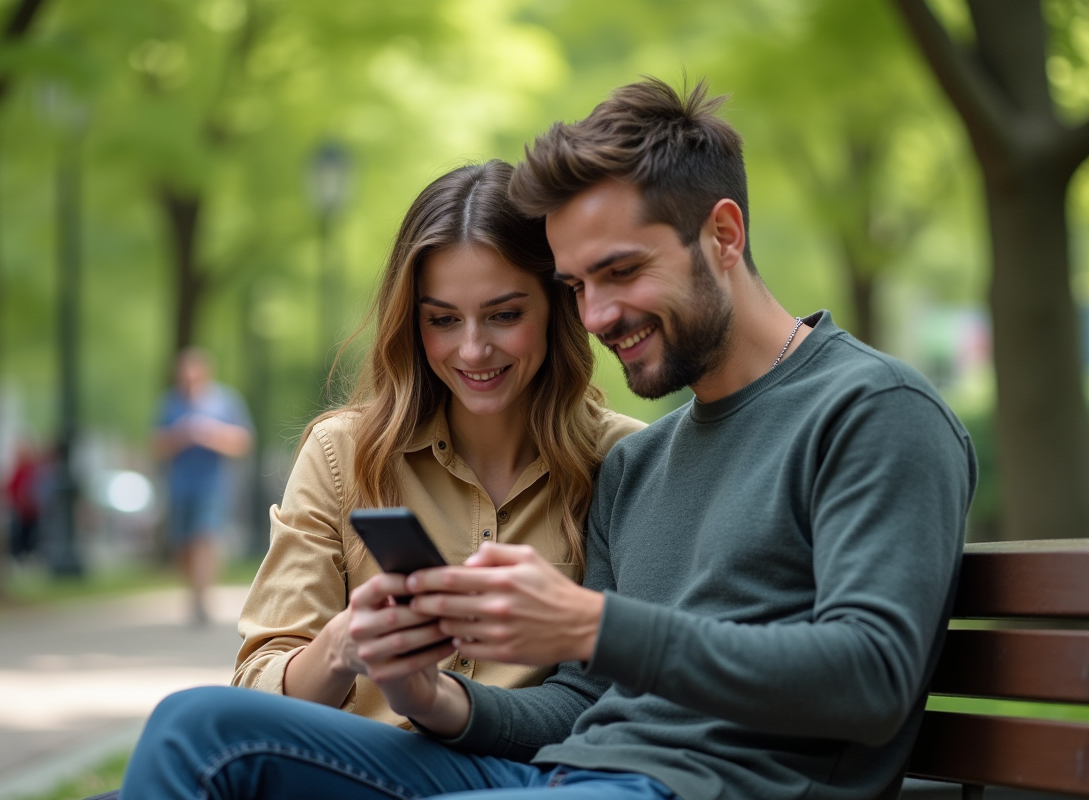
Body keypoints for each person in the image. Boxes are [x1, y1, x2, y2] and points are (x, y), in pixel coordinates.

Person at [121, 79, 977, 800]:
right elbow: (582, 705)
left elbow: (871, 678)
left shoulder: (873, 410)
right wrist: (434, 696)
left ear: (723, 235)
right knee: (196, 730)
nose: (598, 316)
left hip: (687, 789)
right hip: (564, 777)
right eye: (577, 285)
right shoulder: (642, 464)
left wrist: (589, 622)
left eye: (622, 271)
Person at [231, 160, 644, 727]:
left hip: (523, 776)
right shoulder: (342, 454)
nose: (473, 350)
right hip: (354, 770)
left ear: (557, 307)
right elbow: (253, 696)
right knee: (194, 723)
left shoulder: (626, 461)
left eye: (504, 315)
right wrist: (342, 644)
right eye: (444, 320)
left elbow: (629, 690)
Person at [153, 348, 253, 625]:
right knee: (184, 544)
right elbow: (156, 445)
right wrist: (180, 436)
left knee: (204, 537)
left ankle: (201, 598)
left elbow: (243, 442)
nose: (189, 380)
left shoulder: (225, 401)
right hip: (180, 486)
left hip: (214, 485)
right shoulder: (170, 403)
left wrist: (211, 434)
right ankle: (194, 591)